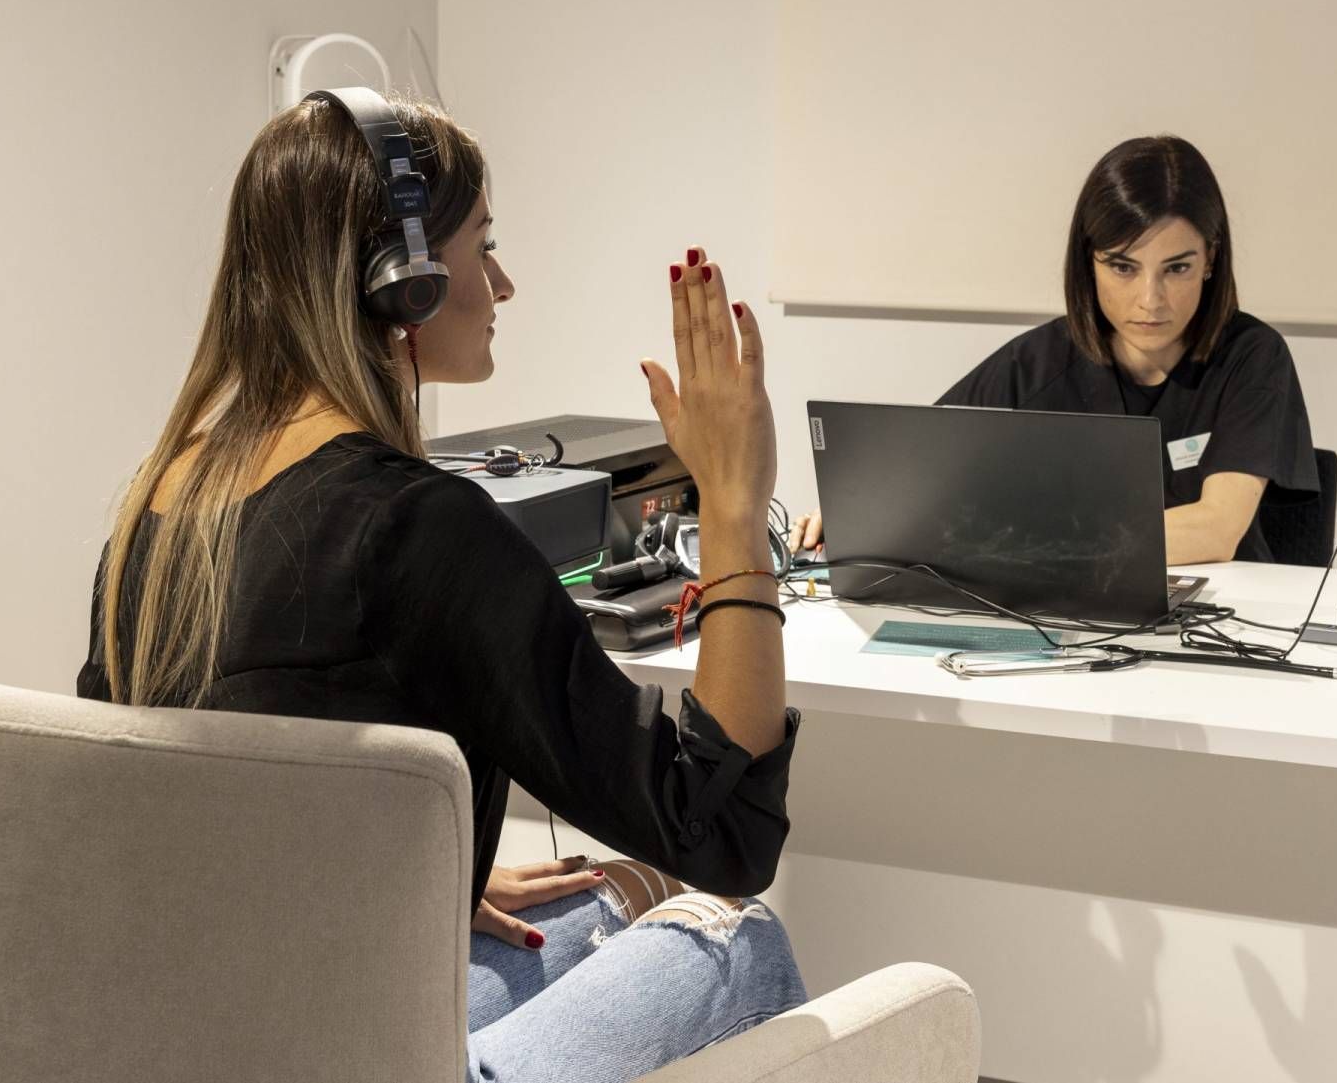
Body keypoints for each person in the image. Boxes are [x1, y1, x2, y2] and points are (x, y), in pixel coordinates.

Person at [77, 91, 806, 1082]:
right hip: (363, 1058)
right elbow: (719, 829)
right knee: (738, 932)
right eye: (481, 247)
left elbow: (173, 824)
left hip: (193, 1039)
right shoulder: (420, 531)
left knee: (610, 894)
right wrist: (731, 505)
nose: (500, 283)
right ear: (403, 283)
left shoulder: (153, 510)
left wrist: (423, 883)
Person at [790, 135, 1317, 565]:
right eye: (1123, 267)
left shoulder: (1252, 356)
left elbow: (1215, 532)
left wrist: (1027, 543)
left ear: (1210, 259)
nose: (1151, 300)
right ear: (1089, 262)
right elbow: (919, 477)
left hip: (1227, 628)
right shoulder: (1038, 363)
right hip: (1067, 622)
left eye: (1176, 268)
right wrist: (858, 516)